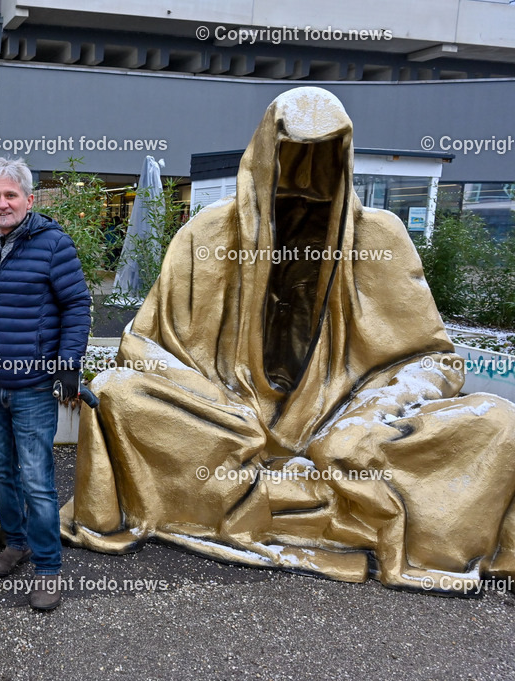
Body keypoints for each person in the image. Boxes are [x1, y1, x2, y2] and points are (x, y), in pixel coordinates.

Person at [61, 87, 515, 593]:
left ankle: (272, 492)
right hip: (227, 423)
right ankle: (299, 492)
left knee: (497, 421)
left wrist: (373, 413)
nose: (305, 175)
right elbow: (140, 347)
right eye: (291, 153)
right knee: (119, 390)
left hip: (339, 421)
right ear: (263, 155)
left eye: (322, 156)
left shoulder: (378, 237)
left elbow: (435, 359)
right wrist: (214, 400)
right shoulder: (208, 233)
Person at [0, 157, 91, 610]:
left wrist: (69, 364)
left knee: (38, 480)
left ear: (29, 199)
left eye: (10, 195)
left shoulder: (53, 244)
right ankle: (17, 542)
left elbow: (77, 305)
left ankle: (49, 568)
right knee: (3, 472)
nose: (2, 203)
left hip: (32, 386)